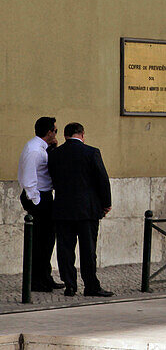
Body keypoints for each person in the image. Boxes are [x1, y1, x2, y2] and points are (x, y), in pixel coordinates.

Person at [48, 123, 113, 297]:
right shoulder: (92, 152)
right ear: (82, 134)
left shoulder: (55, 155)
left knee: (65, 249)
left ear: (65, 135)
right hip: (87, 210)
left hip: (63, 209)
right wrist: (106, 204)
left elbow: (52, 179)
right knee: (88, 250)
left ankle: (69, 285)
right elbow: (102, 179)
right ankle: (91, 286)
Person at [17, 116, 64, 292]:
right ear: (49, 132)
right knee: (39, 242)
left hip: (43, 197)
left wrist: (53, 149)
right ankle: (36, 281)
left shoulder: (41, 148)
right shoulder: (35, 150)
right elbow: (29, 180)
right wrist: (36, 201)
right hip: (38, 198)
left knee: (47, 240)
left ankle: (45, 276)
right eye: (55, 130)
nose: (56, 134)